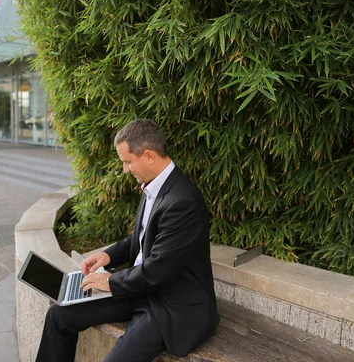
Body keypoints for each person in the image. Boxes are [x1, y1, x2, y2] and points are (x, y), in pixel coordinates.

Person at [36, 119, 219, 362]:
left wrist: (110, 280)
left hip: (170, 303)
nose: (125, 170)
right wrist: (109, 256)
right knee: (58, 315)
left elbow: (157, 271)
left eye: (127, 162)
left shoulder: (182, 201)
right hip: (139, 288)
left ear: (149, 156)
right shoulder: (153, 186)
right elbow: (142, 237)